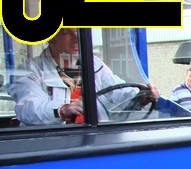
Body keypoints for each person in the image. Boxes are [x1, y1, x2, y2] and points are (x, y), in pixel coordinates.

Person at [10, 27, 160, 126]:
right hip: (52, 144)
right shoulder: (32, 70)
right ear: (51, 38)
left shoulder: (93, 64)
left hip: (94, 136)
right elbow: (28, 108)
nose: (76, 38)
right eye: (67, 33)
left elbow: (116, 90)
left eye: (79, 32)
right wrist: (62, 110)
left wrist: (141, 96)